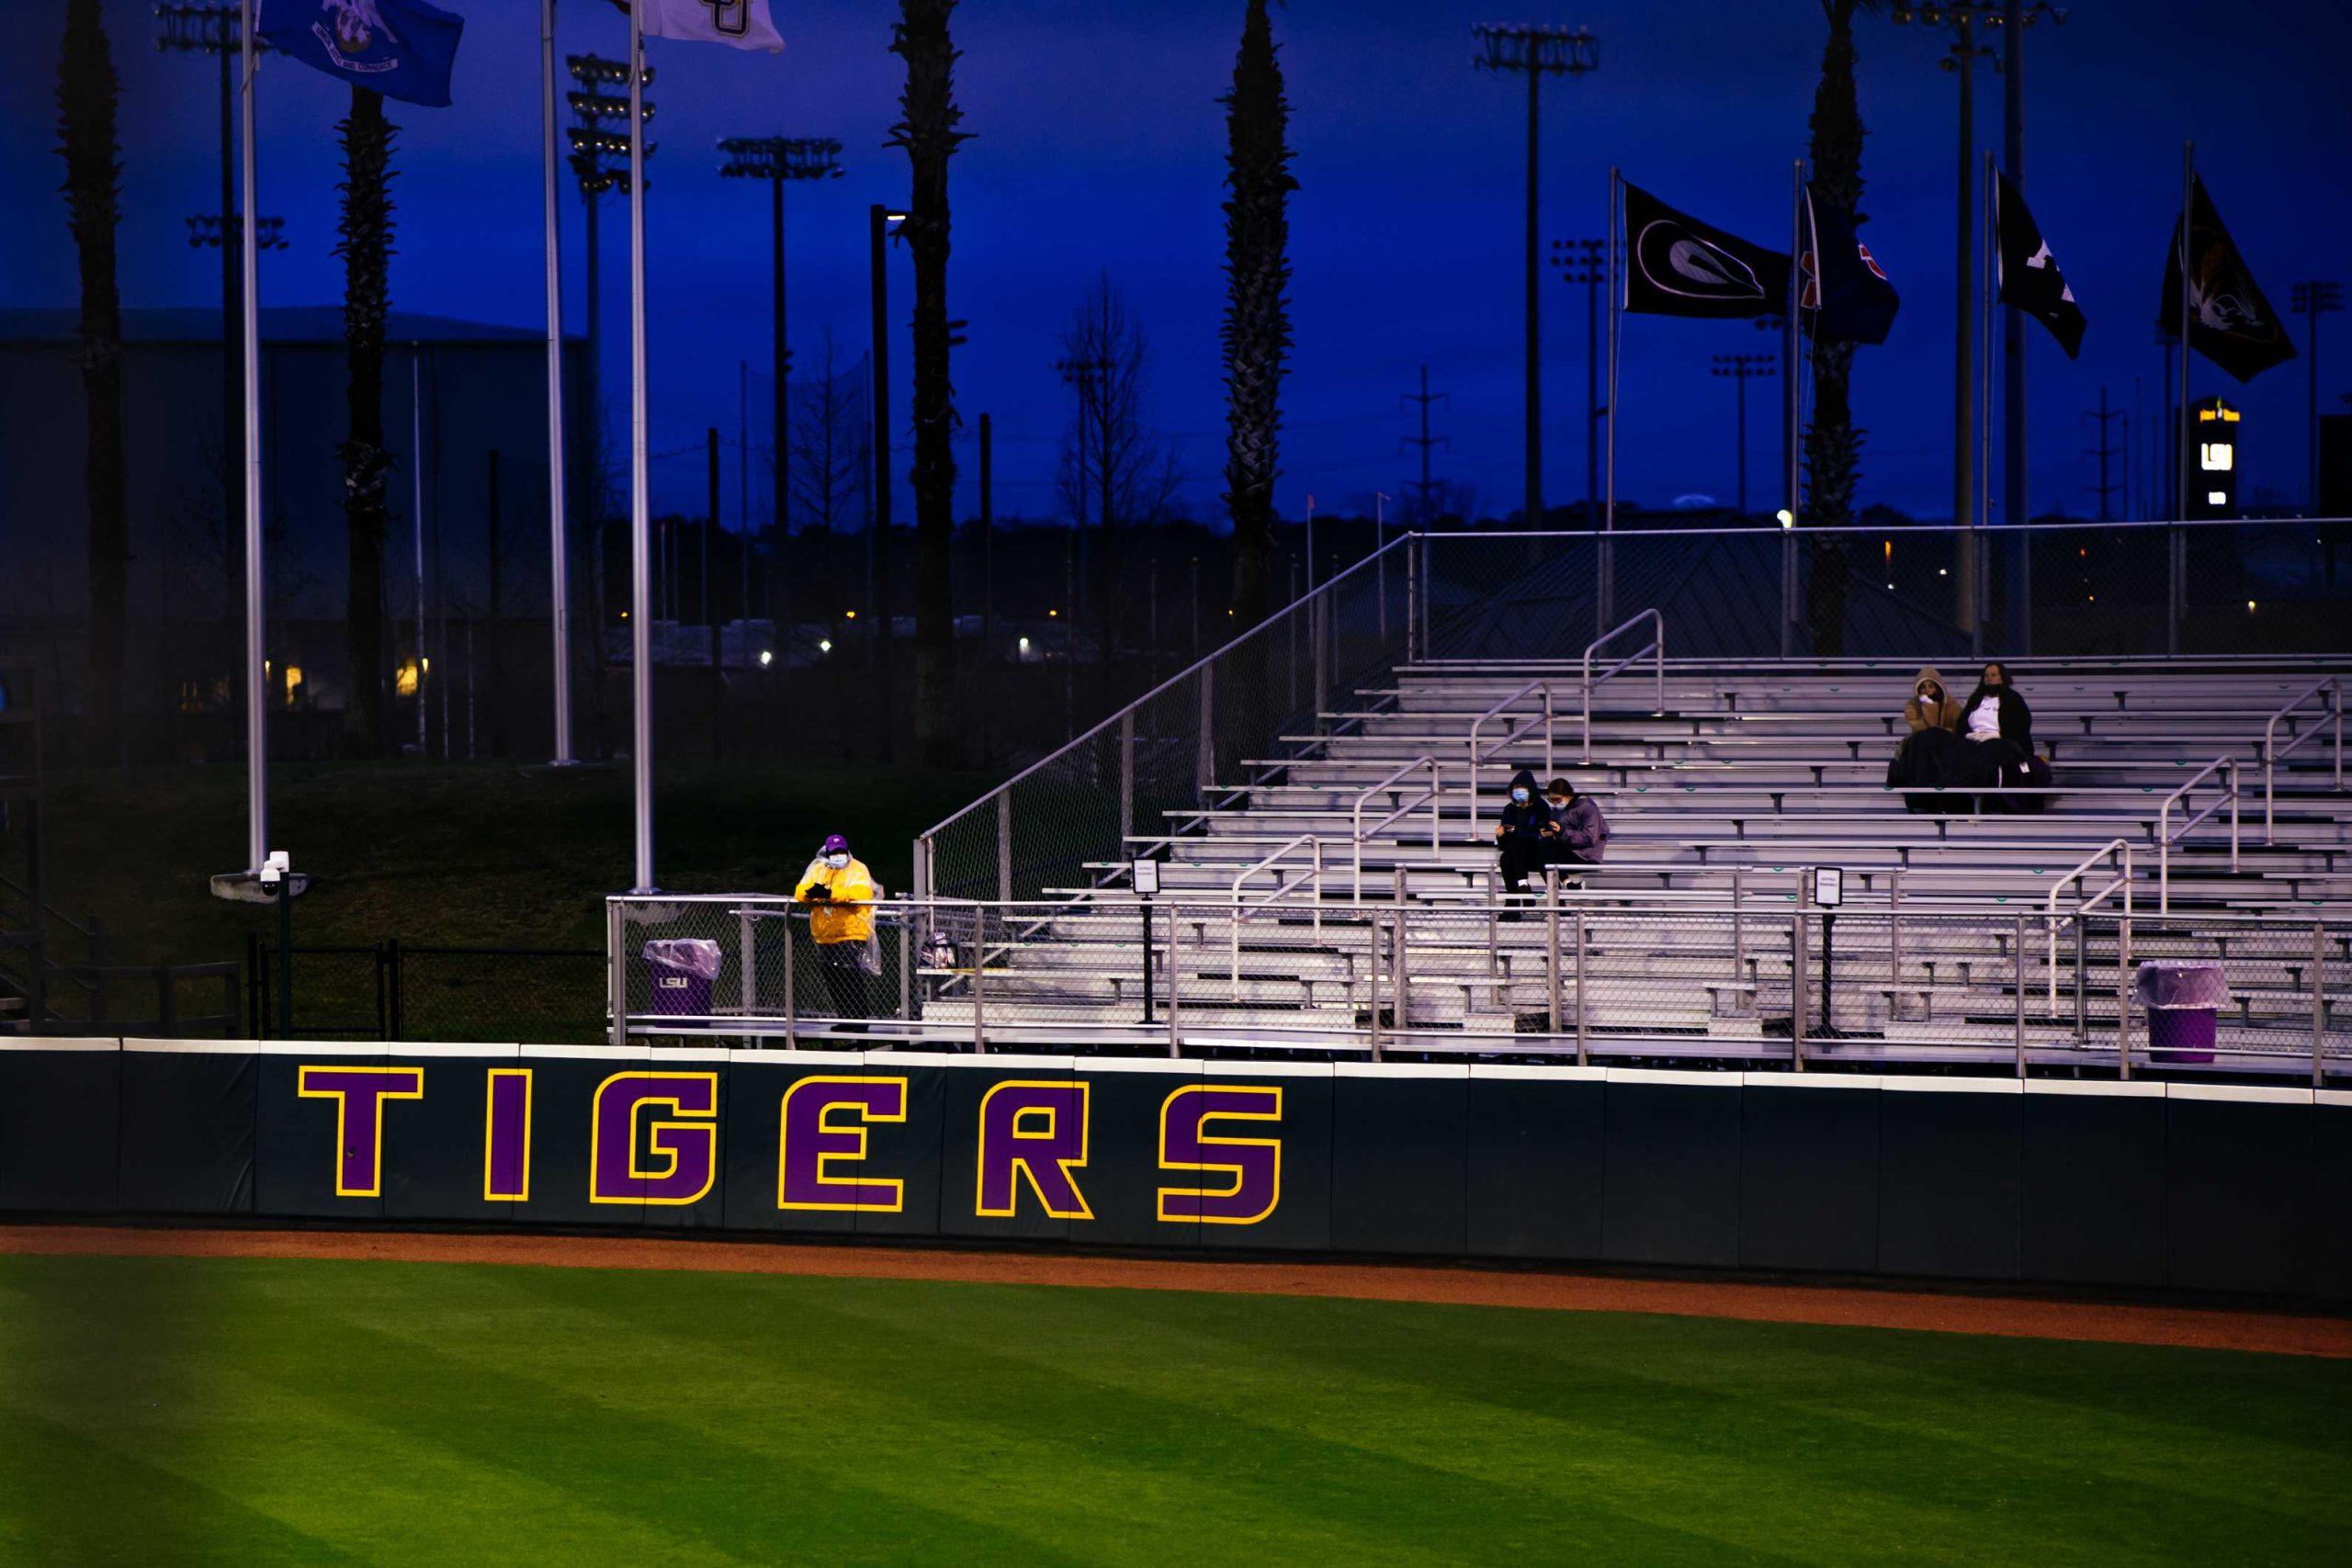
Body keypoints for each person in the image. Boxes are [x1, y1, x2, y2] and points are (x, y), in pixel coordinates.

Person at [795, 832, 881, 1025]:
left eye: (841, 851)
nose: (838, 855)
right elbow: (801, 891)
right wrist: (814, 894)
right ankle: (845, 1018)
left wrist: (828, 894)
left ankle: (859, 1020)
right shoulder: (819, 870)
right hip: (825, 934)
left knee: (849, 977)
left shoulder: (858, 869)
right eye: (834, 852)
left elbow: (859, 895)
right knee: (832, 977)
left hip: (849, 932)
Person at [1493, 768, 1552, 900]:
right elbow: (1503, 845)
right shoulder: (1509, 809)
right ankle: (1516, 902)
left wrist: (1515, 832)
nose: (1519, 790)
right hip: (1516, 853)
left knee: (1518, 845)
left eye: (1522, 787)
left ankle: (1523, 887)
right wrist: (1501, 835)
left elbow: (1540, 836)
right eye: (1516, 787)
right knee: (1506, 858)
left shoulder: (1541, 807)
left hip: (1536, 852)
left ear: (1531, 789)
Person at [1537, 776, 1608, 872]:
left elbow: (1589, 838)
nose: (1554, 803)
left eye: (1557, 799)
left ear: (1567, 795)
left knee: (1547, 847)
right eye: (1551, 800)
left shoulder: (1587, 807)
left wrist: (1561, 832)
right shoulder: (1557, 810)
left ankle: (1565, 882)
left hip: (1585, 857)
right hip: (1567, 851)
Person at [1904, 667, 1962, 734]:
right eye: (1923, 687)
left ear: (1938, 688)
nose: (1927, 690)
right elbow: (1921, 730)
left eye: (1931, 686)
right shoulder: (1912, 704)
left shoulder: (1950, 703)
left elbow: (1958, 726)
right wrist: (1929, 706)